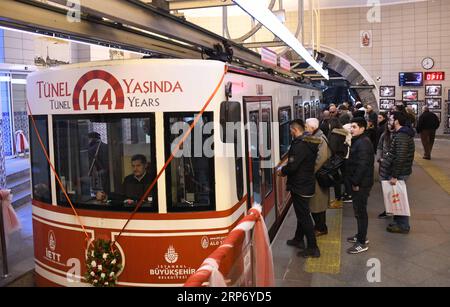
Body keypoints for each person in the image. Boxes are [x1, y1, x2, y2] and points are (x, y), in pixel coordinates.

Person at [281, 119, 321, 258]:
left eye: (291, 130)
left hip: (300, 185)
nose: (290, 132)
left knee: (304, 217)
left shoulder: (300, 145)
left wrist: (282, 171)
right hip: (306, 183)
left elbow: (293, 166)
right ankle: (298, 239)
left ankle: (313, 247)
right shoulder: (309, 141)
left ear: (294, 130)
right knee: (301, 214)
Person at [345, 117, 374, 254]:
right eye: (351, 126)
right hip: (360, 182)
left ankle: (361, 243)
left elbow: (362, 165)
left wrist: (355, 182)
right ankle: (361, 235)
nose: (351, 129)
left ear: (362, 128)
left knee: (360, 212)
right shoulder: (360, 141)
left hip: (361, 184)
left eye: (355, 127)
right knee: (358, 212)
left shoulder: (363, 143)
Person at [386, 112, 415, 234]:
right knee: (396, 198)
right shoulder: (400, 134)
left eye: (391, 119)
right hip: (401, 171)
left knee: (399, 198)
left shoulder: (401, 136)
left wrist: (394, 175)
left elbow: (400, 157)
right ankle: (398, 222)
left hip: (400, 172)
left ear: (397, 121)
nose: (390, 121)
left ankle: (403, 225)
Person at [305, 118, 331, 237]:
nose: (305, 129)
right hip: (317, 177)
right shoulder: (317, 136)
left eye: (306, 127)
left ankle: (321, 228)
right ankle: (320, 226)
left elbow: (320, 159)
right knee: (317, 204)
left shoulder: (320, 139)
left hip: (318, 178)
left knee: (318, 205)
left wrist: (309, 171)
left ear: (312, 128)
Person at [327, 118, 351, 209]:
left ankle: (338, 200)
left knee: (336, 179)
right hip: (343, 158)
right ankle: (340, 197)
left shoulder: (334, 134)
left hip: (336, 159)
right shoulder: (342, 132)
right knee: (343, 177)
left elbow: (332, 148)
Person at [376, 115, 395, 219]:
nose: (389, 125)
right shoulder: (384, 135)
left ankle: (395, 211)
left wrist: (385, 159)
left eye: (391, 123)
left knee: (394, 192)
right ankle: (388, 210)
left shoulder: (399, 136)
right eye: (388, 123)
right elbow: (379, 146)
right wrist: (379, 158)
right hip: (383, 167)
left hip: (392, 168)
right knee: (386, 190)